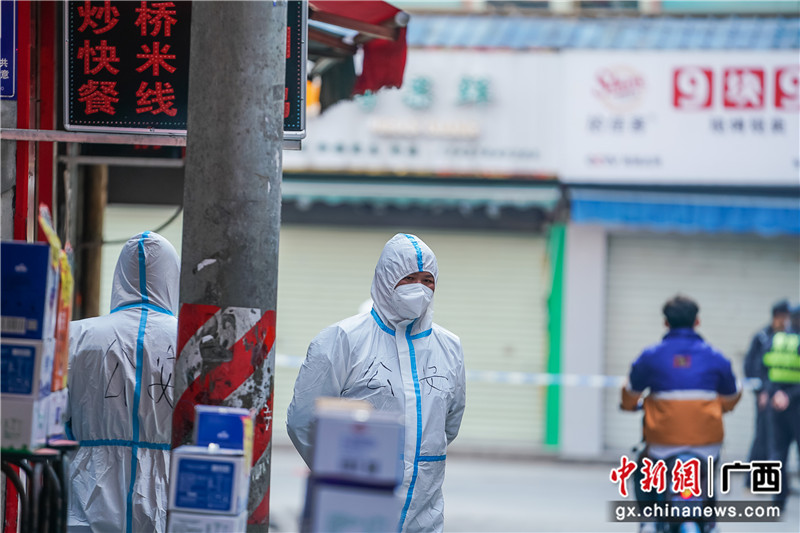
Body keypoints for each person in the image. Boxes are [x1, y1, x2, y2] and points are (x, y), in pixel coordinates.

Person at [287, 233, 467, 533]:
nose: (420, 289)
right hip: (354, 511)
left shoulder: (449, 346)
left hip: (424, 515)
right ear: (386, 280)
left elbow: (449, 423)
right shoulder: (343, 339)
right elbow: (303, 420)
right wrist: (339, 473)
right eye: (409, 278)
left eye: (428, 280)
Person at [65, 232, 180, 533]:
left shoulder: (78, 337)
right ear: (173, 276)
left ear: (120, 276)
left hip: (88, 490)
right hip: (168, 491)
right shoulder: (190, 342)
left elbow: (53, 414)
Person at [621, 295, 741, 531]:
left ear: (666, 323)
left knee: (642, 471)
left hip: (662, 446)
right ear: (697, 322)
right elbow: (732, 397)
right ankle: (709, 522)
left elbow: (629, 393)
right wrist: (722, 406)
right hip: (707, 446)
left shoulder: (650, 357)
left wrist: (630, 404)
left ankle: (648, 521)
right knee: (707, 477)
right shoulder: (717, 358)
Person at [743, 300, 790, 466]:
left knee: (779, 441)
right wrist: (760, 392)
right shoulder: (763, 336)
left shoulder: (788, 337)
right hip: (765, 395)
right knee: (762, 436)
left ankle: (777, 481)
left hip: (784, 397)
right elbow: (751, 367)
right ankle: (752, 480)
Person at [761, 323, 800, 511]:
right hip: (797, 403)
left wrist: (775, 393)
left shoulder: (775, 340)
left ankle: (778, 501)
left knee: (777, 453)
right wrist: (790, 396)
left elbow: (763, 369)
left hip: (776, 404)